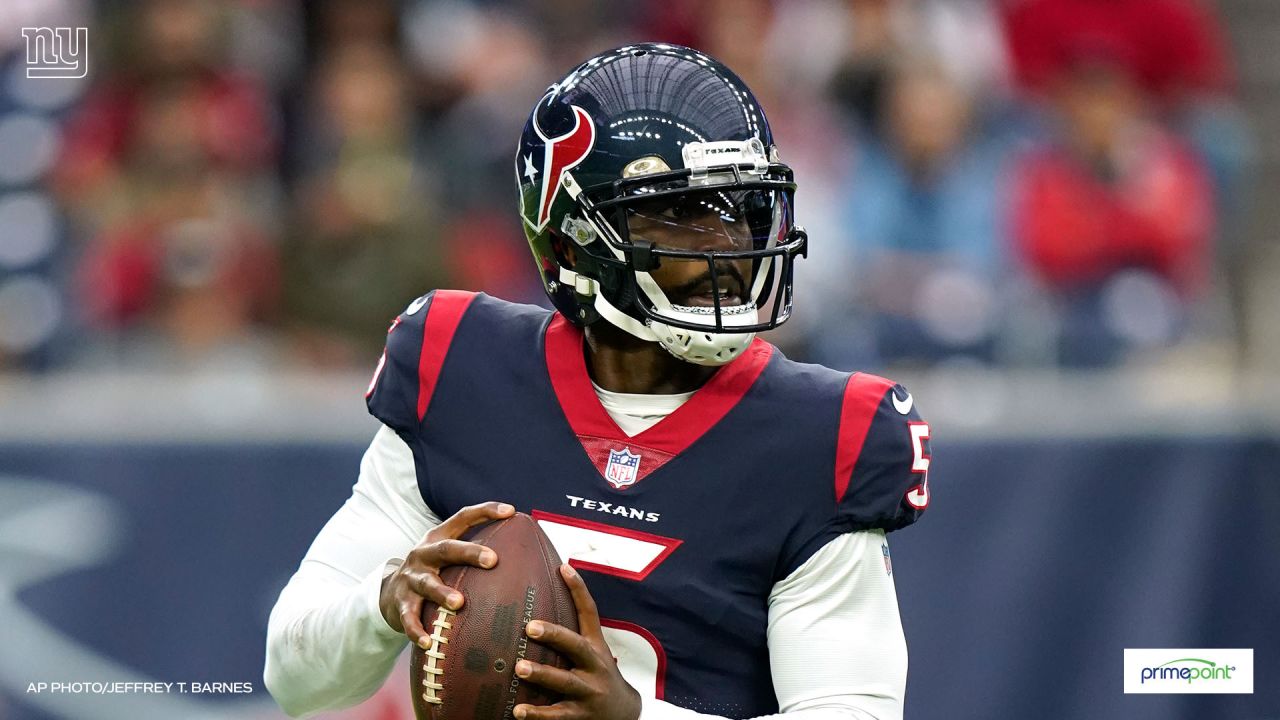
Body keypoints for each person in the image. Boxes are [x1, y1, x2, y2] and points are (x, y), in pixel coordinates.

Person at [265, 43, 932, 720]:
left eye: (741, 208)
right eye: (679, 212)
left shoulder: (820, 437)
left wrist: (636, 717)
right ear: (571, 241)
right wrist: (384, 602)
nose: (727, 245)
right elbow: (294, 679)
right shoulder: (462, 370)